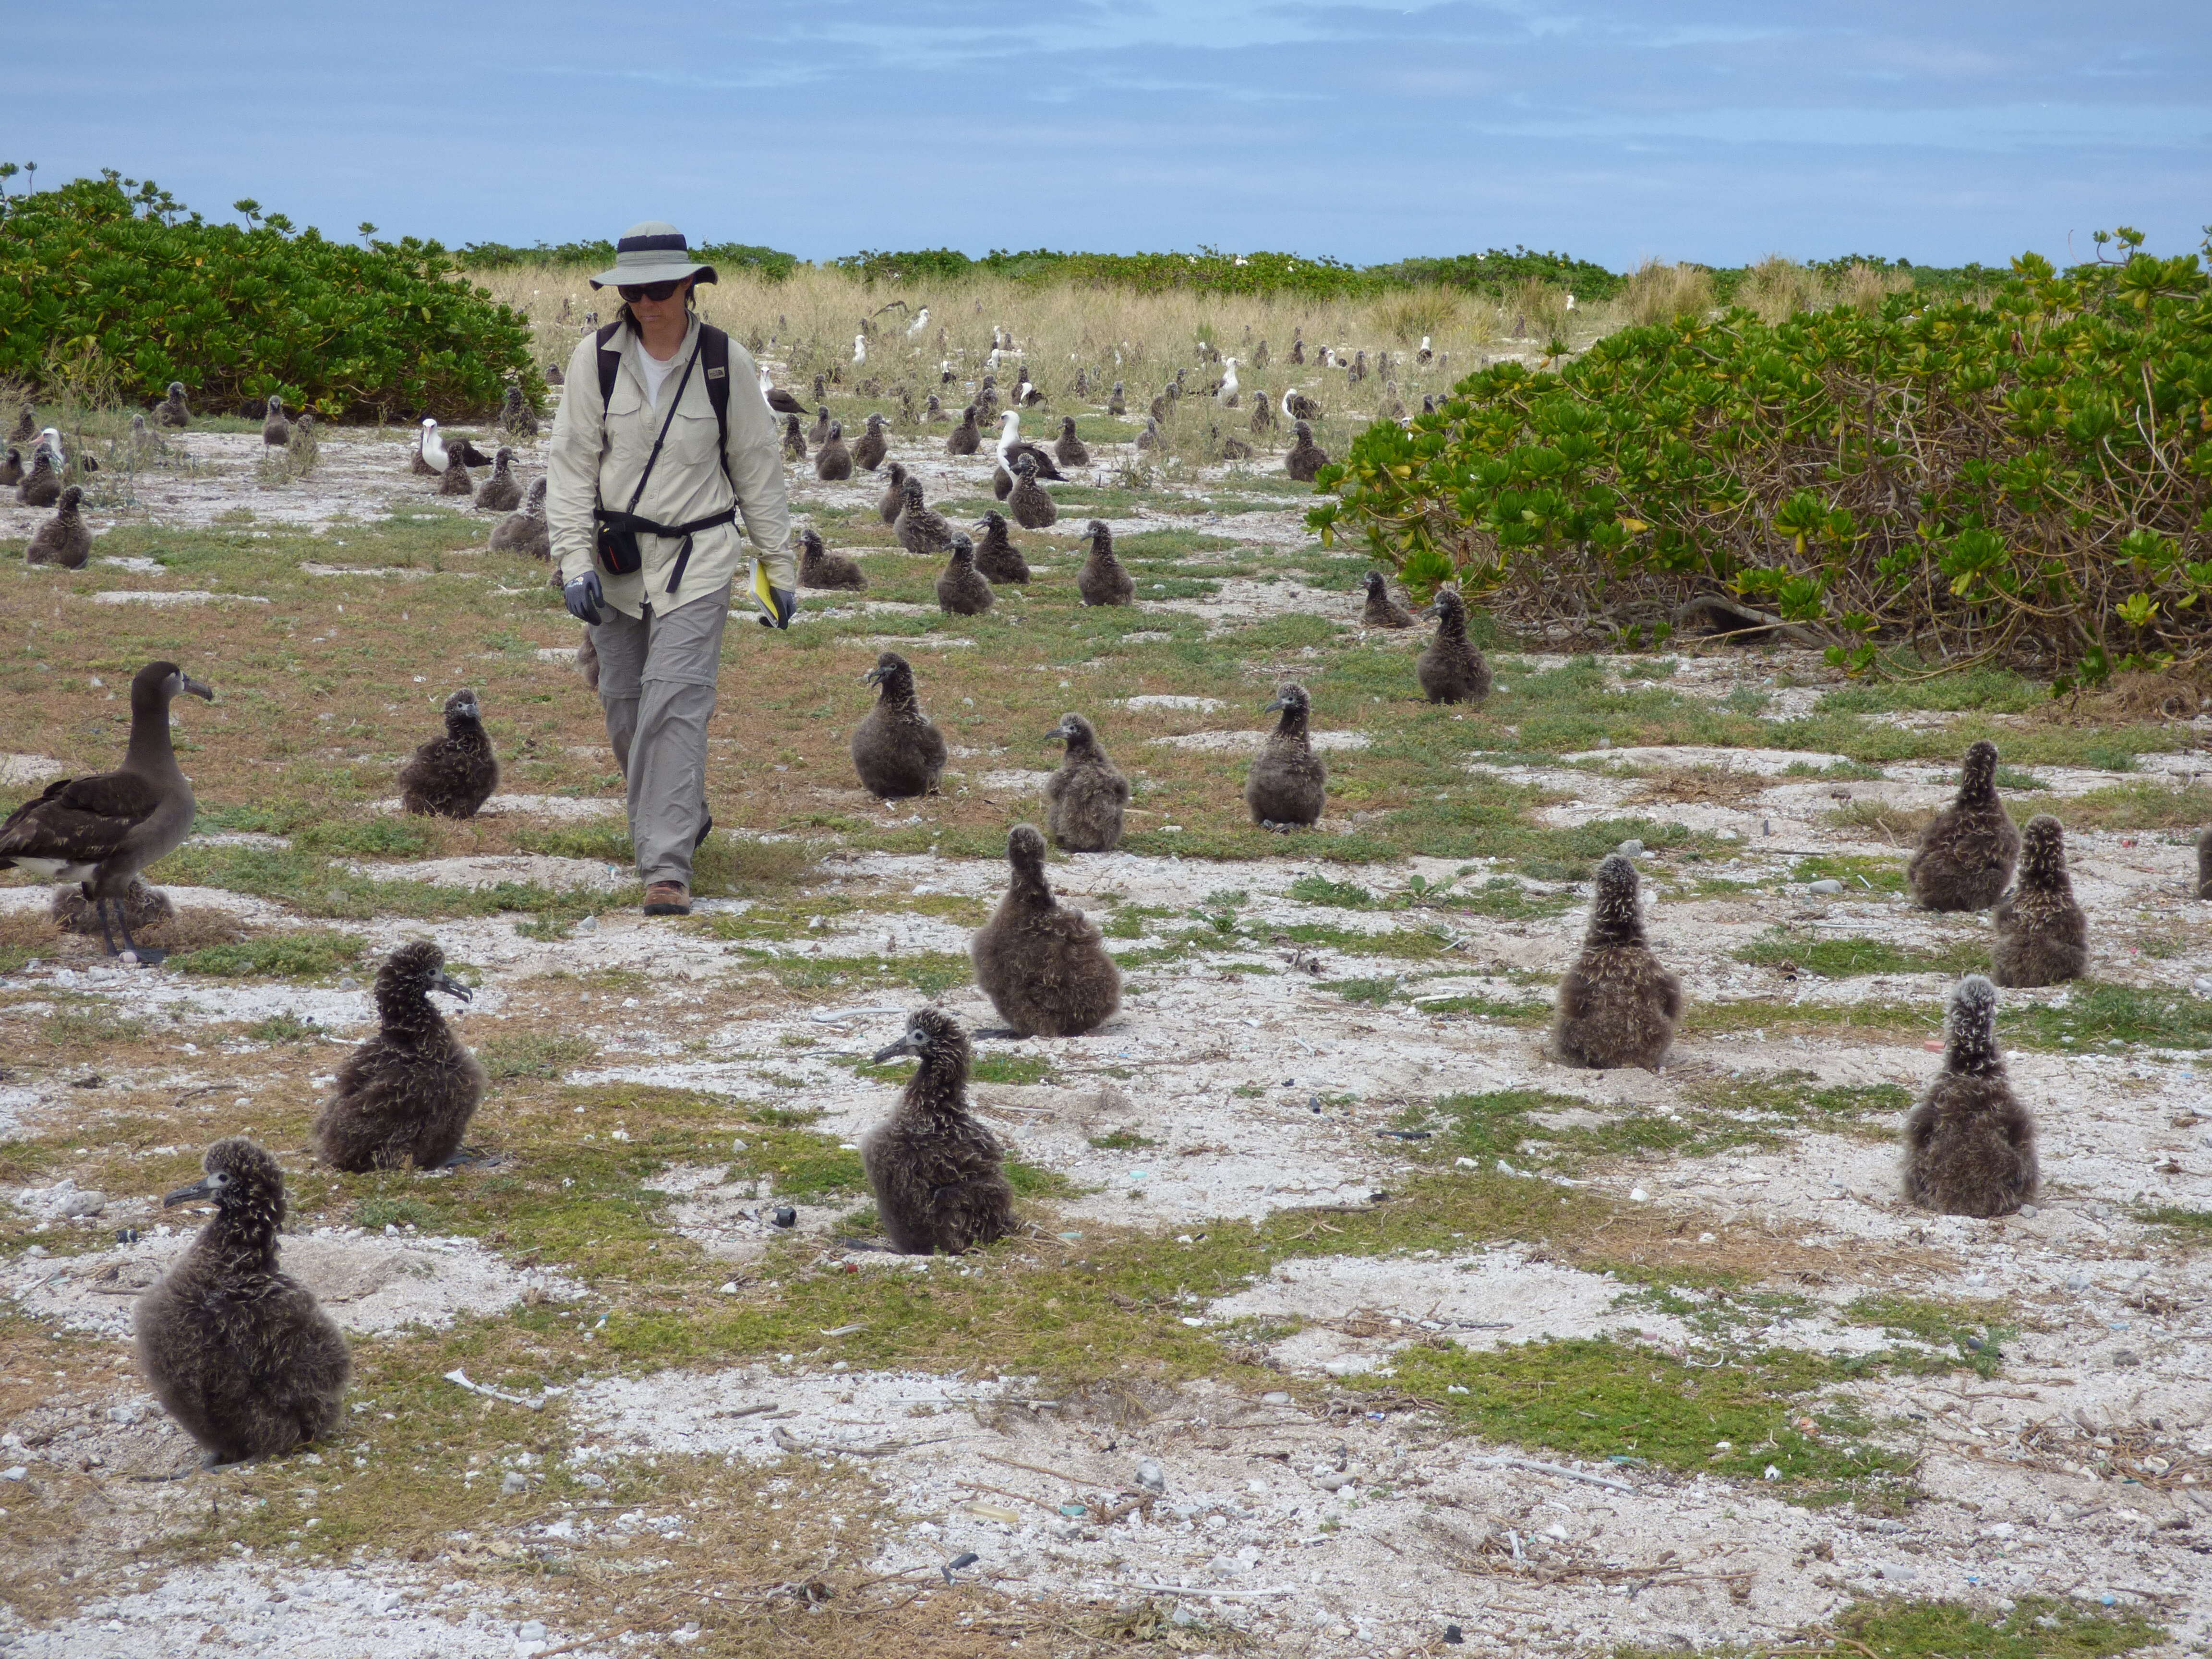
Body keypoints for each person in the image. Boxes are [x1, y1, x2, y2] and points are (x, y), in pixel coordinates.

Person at [547, 221, 797, 917]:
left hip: (702, 558)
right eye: (631, 291)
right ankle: (683, 810)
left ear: (690, 286)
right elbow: (569, 467)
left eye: (659, 289)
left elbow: (757, 467)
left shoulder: (726, 362)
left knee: (675, 704)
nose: (646, 302)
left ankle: (666, 867)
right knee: (624, 706)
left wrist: (778, 572)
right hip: (615, 562)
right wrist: (571, 560)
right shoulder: (592, 360)